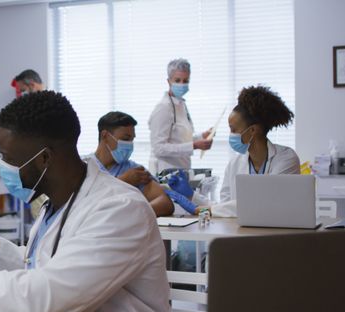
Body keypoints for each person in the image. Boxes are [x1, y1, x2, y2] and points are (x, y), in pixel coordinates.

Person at [0, 91, 174, 312]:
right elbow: (49, 269)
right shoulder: (56, 202)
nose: (3, 167)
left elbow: (43, 298)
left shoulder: (120, 210)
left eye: (8, 157)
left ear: (44, 158)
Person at [167, 85, 300, 217]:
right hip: (241, 234)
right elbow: (225, 208)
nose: (231, 135)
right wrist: (191, 195)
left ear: (253, 130)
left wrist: (199, 210)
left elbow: (263, 203)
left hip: (276, 234)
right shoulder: (235, 164)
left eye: (233, 129)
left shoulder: (286, 158)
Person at [88, 111, 174, 216]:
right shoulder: (84, 166)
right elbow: (81, 201)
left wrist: (129, 215)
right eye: (125, 139)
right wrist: (123, 181)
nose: (130, 145)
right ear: (105, 136)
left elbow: (165, 203)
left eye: (132, 140)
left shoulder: (134, 170)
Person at [148, 58, 213, 174]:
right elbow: (158, 148)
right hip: (165, 173)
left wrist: (202, 136)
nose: (182, 84)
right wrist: (194, 146)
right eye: (177, 80)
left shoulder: (181, 105)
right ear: (169, 81)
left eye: (186, 80)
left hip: (181, 170)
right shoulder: (163, 108)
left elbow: (180, 140)